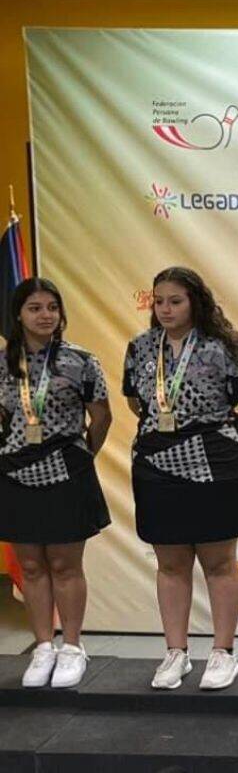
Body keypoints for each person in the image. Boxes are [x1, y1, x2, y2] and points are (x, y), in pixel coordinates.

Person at [123, 267, 238, 691]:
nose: (165, 309)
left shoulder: (225, 347)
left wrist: (220, 439)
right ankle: (176, 653)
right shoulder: (140, 347)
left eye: (176, 301)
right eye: (159, 301)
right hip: (157, 464)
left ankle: (223, 654)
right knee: (170, 563)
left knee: (219, 563)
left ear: (195, 302)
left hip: (216, 463)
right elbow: (136, 402)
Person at [0, 277, 111, 689]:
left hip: (67, 470)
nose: (45, 315)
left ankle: (72, 646)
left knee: (65, 565)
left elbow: (101, 417)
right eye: (35, 308)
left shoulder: (82, 361)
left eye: (52, 307)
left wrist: (83, 458)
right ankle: (43, 646)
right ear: (18, 315)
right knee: (30, 566)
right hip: (14, 472)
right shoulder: (3, 363)